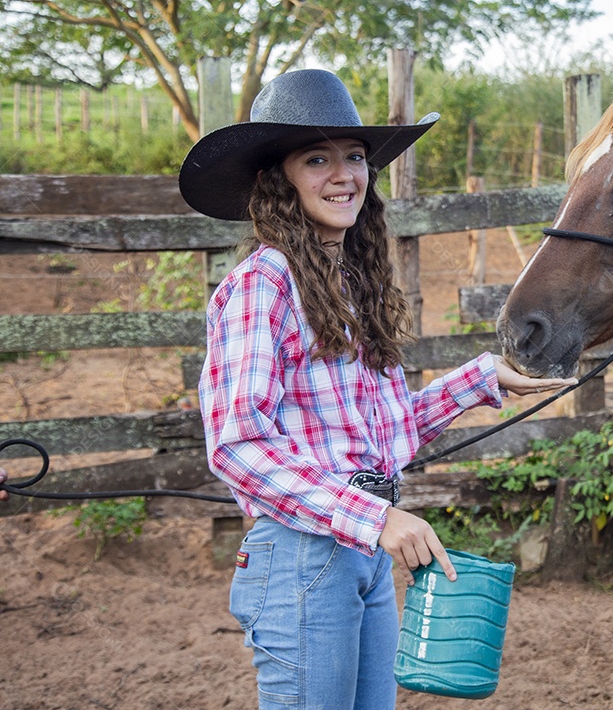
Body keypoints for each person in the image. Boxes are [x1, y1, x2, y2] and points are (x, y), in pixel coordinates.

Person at [179, 69, 572, 709]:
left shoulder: (350, 286)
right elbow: (237, 446)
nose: (344, 175)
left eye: (355, 157)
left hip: (360, 555)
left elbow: (375, 440)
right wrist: (377, 516)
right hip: (302, 556)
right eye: (317, 159)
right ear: (278, 180)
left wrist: (477, 381)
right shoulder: (264, 284)